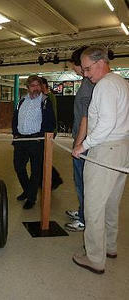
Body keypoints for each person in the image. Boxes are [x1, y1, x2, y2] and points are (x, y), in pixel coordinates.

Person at [72, 46, 129, 274]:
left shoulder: (104, 85)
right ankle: (110, 247)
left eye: (87, 69)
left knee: (94, 205)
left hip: (104, 150)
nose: (85, 74)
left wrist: (82, 146)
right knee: (111, 203)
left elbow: (105, 124)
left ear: (100, 62)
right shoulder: (121, 82)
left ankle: (95, 257)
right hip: (122, 148)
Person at [12, 75, 56, 209]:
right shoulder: (21, 101)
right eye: (33, 86)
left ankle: (31, 198)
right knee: (19, 167)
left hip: (36, 140)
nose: (36, 88)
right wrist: (15, 134)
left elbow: (51, 122)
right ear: (28, 87)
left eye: (38, 85)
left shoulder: (45, 101)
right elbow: (15, 118)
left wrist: (42, 136)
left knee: (36, 171)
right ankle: (28, 191)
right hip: (20, 140)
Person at [65, 47, 95, 232]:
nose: (74, 70)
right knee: (80, 180)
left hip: (84, 143)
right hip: (82, 139)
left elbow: (86, 116)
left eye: (74, 67)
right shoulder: (86, 83)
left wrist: (79, 144)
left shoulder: (89, 85)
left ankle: (84, 218)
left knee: (83, 181)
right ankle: (82, 211)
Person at [40, 77, 63, 190]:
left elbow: (51, 115)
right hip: (45, 131)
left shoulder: (49, 97)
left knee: (45, 158)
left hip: (49, 131)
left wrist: (51, 131)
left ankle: (55, 179)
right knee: (42, 158)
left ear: (44, 85)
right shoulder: (44, 97)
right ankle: (45, 180)